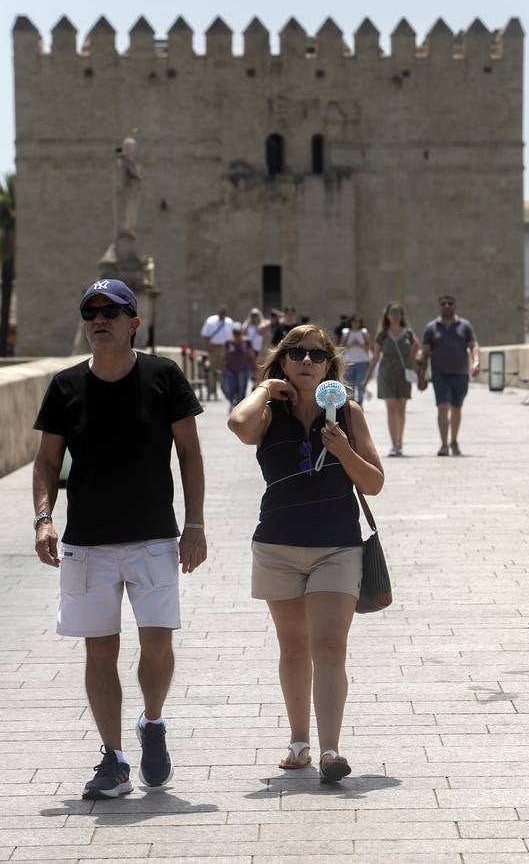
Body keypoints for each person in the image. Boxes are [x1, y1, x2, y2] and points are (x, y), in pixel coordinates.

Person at [32, 279, 207, 800]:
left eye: (112, 310)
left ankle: (152, 722)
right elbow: (45, 461)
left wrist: (194, 525)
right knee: (99, 652)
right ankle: (113, 758)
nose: (99, 319)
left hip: (153, 537)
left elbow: (191, 455)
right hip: (87, 542)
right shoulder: (64, 386)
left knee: (156, 645)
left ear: (134, 321)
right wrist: (44, 517)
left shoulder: (163, 376)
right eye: (91, 311)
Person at [227, 325, 384, 783]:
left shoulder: (348, 413)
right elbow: (238, 426)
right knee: (293, 648)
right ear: (283, 362)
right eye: (296, 353)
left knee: (330, 646)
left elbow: (373, 482)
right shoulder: (268, 413)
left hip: (336, 546)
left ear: (330, 365)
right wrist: (262, 389)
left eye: (317, 355)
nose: (307, 361)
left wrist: (342, 449)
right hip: (277, 545)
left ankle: (332, 751)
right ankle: (299, 744)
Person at [420, 294, 480, 456]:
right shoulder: (432, 327)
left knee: (456, 408)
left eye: (450, 303)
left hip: (460, 374)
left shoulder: (465, 326)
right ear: (439, 307)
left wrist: (476, 362)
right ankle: (444, 444)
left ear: (455, 306)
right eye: (443, 304)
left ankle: (454, 440)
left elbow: (473, 345)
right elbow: (424, 353)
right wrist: (421, 375)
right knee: (443, 407)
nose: (447, 306)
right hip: (440, 375)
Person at [360, 301, 421, 457]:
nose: (395, 316)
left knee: (401, 409)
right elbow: (374, 358)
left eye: (397, 313)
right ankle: (394, 444)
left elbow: (416, 350)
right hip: (387, 373)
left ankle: (400, 441)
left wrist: (416, 370)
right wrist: (366, 380)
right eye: (392, 313)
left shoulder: (408, 333)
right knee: (391, 409)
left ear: (402, 316)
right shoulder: (382, 335)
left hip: (403, 373)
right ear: (387, 316)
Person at [340, 313, 372, 407]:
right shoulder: (346, 332)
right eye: (354, 322)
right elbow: (341, 346)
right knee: (350, 384)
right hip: (348, 361)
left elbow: (369, 346)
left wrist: (359, 344)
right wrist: (351, 344)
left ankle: (360, 403)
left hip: (362, 361)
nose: (355, 323)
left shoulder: (364, 332)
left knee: (360, 383)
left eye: (357, 322)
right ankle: (351, 402)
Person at [200, 305, 234, 393]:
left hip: (225, 348)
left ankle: (224, 387)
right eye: (221, 312)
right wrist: (207, 348)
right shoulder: (211, 321)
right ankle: (212, 387)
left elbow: (232, 336)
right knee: (212, 369)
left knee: (225, 368)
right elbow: (205, 335)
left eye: (223, 313)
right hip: (213, 348)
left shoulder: (229, 322)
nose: (222, 314)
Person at [222, 323, 256, 410]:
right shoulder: (228, 342)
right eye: (235, 333)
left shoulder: (247, 342)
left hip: (243, 369)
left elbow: (251, 355)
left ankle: (239, 407)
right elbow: (224, 355)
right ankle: (232, 401)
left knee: (242, 388)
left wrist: (254, 368)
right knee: (229, 389)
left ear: (242, 332)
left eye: (239, 333)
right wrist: (222, 368)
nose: (237, 335)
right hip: (230, 369)